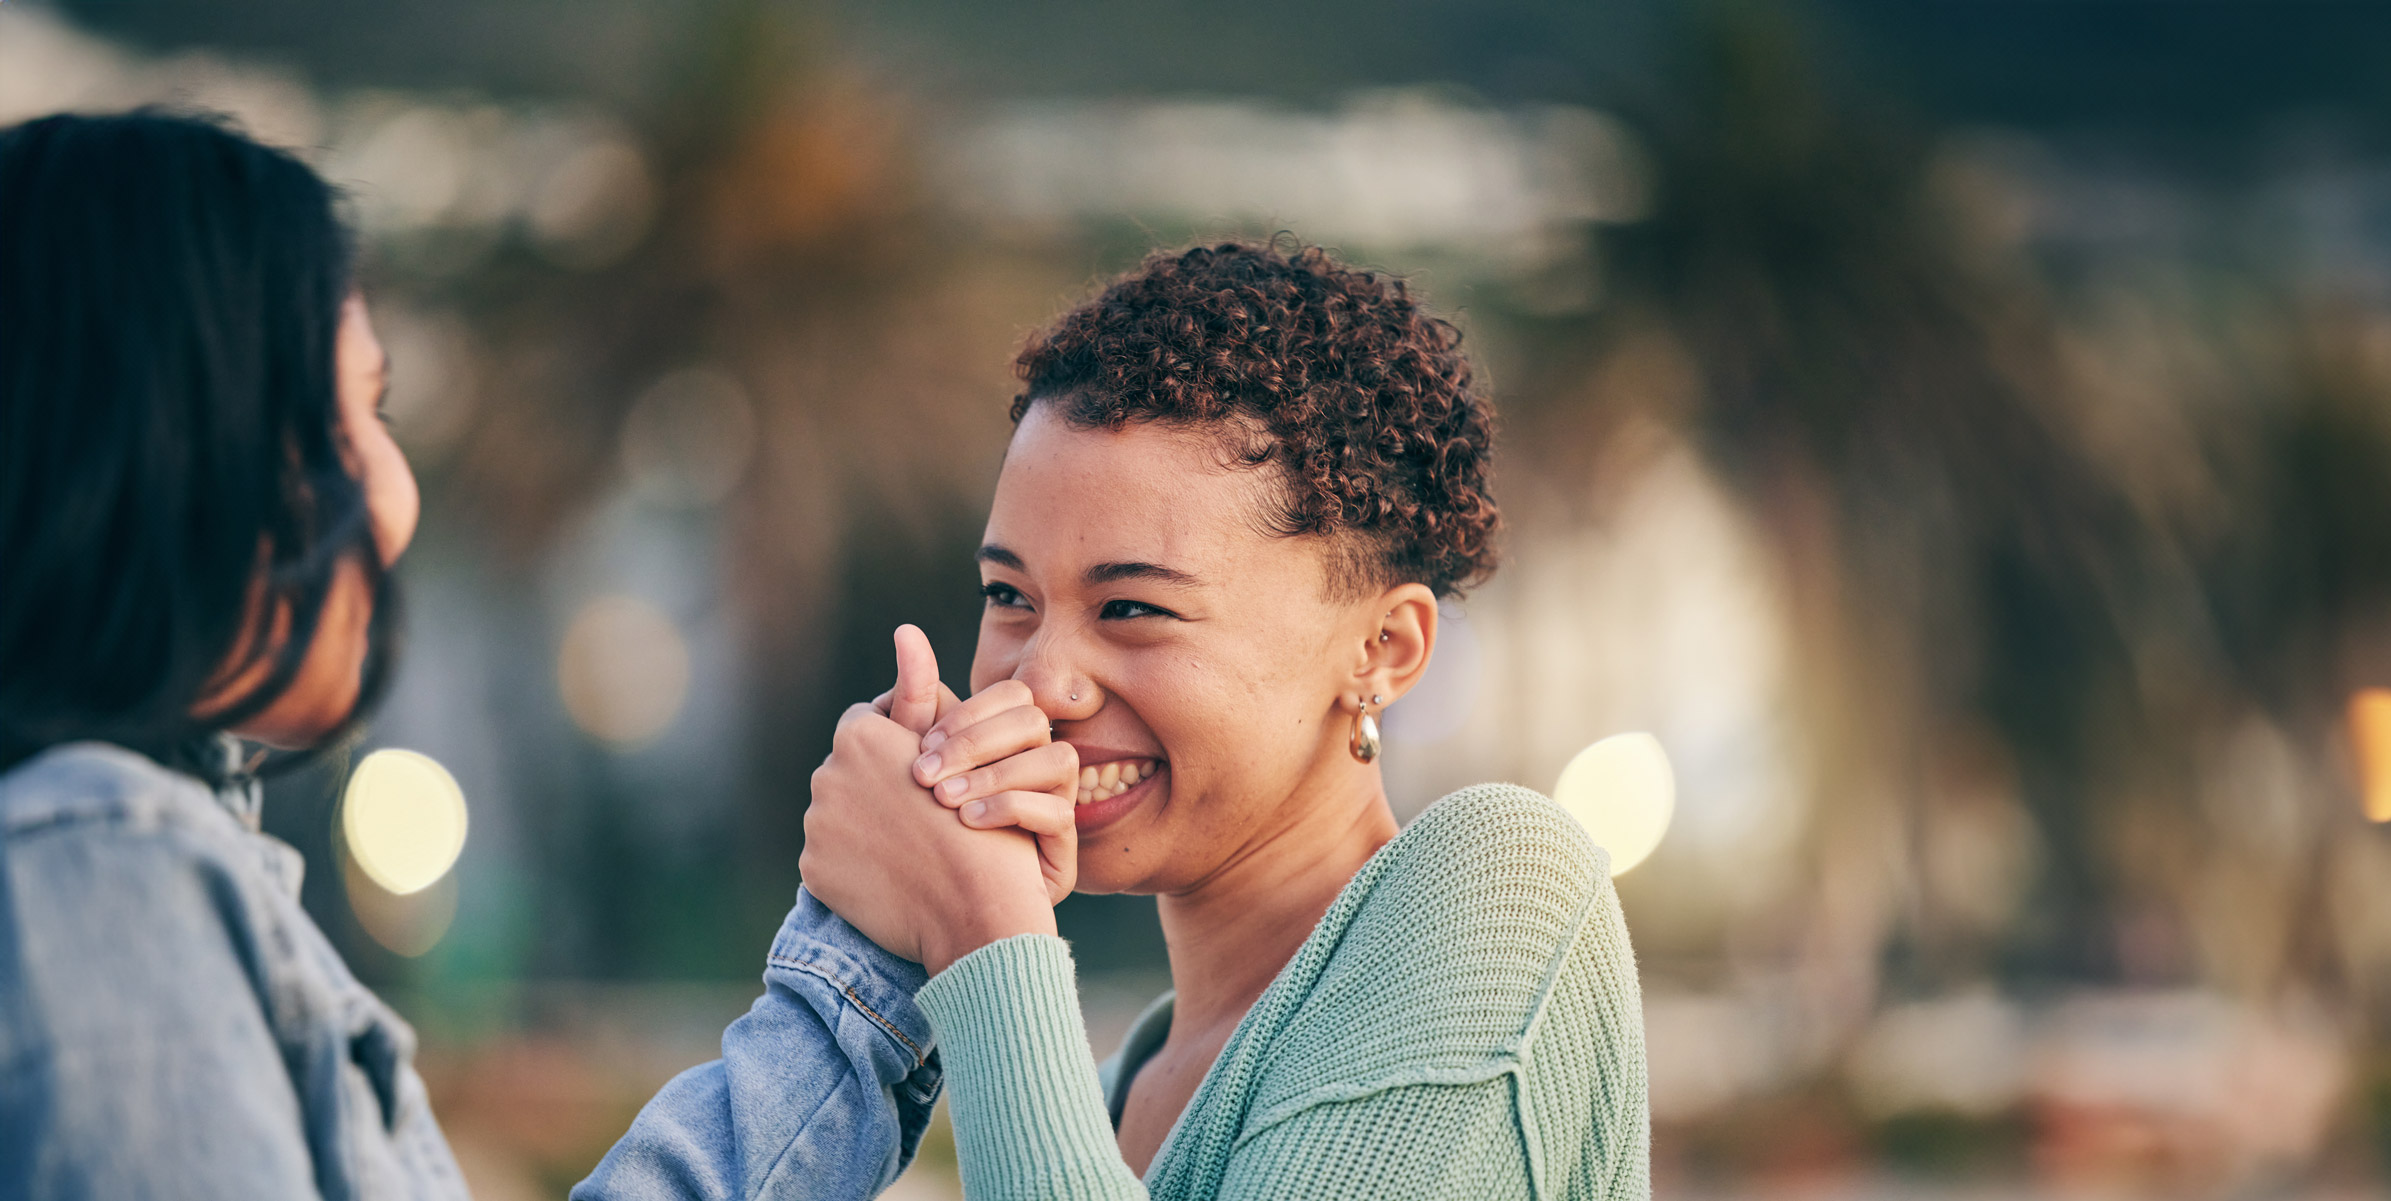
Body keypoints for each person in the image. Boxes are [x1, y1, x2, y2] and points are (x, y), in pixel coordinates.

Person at [0, 111, 936, 1199]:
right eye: (335, 423)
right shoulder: (105, 867)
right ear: (139, 448)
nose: (391, 503)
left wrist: (860, 965)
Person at [790, 242, 1651, 1199]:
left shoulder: (1508, 889)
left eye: (1132, 607)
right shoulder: (1107, 1100)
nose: (1043, 683)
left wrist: (985, 935)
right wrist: (862, 950)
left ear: (1383, 649)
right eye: (1009, 593)